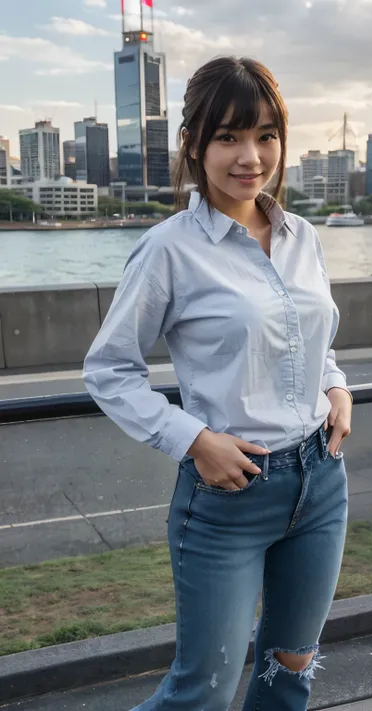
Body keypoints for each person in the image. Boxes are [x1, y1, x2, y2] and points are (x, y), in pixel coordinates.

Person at [83, 55, 352, 711]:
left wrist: (336, 387)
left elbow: (310, 341)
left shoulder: (302, 237)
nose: (250, 156)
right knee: (201, 691)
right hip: (230, 495)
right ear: (195, 145)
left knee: (286, 671)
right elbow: (108, 367)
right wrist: (195, 438)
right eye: (228, 136)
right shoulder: (170, 249)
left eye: (264, 134)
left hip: (320, 483)